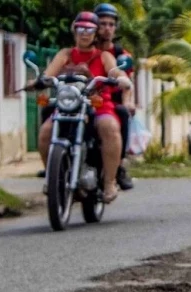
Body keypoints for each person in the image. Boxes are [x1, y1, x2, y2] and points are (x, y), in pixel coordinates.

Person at [37, 11, 132, 203]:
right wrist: (39, 81)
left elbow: (114, 70)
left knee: (110, 128)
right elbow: (48, 74)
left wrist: (121, 78)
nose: (84, 33)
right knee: (46, 132)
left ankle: (109, 182)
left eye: (89, 29)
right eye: (80, 28)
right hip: (68, 104)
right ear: (74, 30)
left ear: (95, 33)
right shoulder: (65, 54)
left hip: (98, 104)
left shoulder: (104, 56)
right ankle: (52, 177)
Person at [94, 3, 135, 191]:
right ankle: (55, 162)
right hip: (87, 98)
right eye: (102, 24)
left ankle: (119, 165)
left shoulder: (121, 54)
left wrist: (127, 102)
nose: (107, 28)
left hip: (113, 100)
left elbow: (128, 83)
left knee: (123, 113)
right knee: (49, 110)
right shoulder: (86, 48)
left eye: (111, 24)